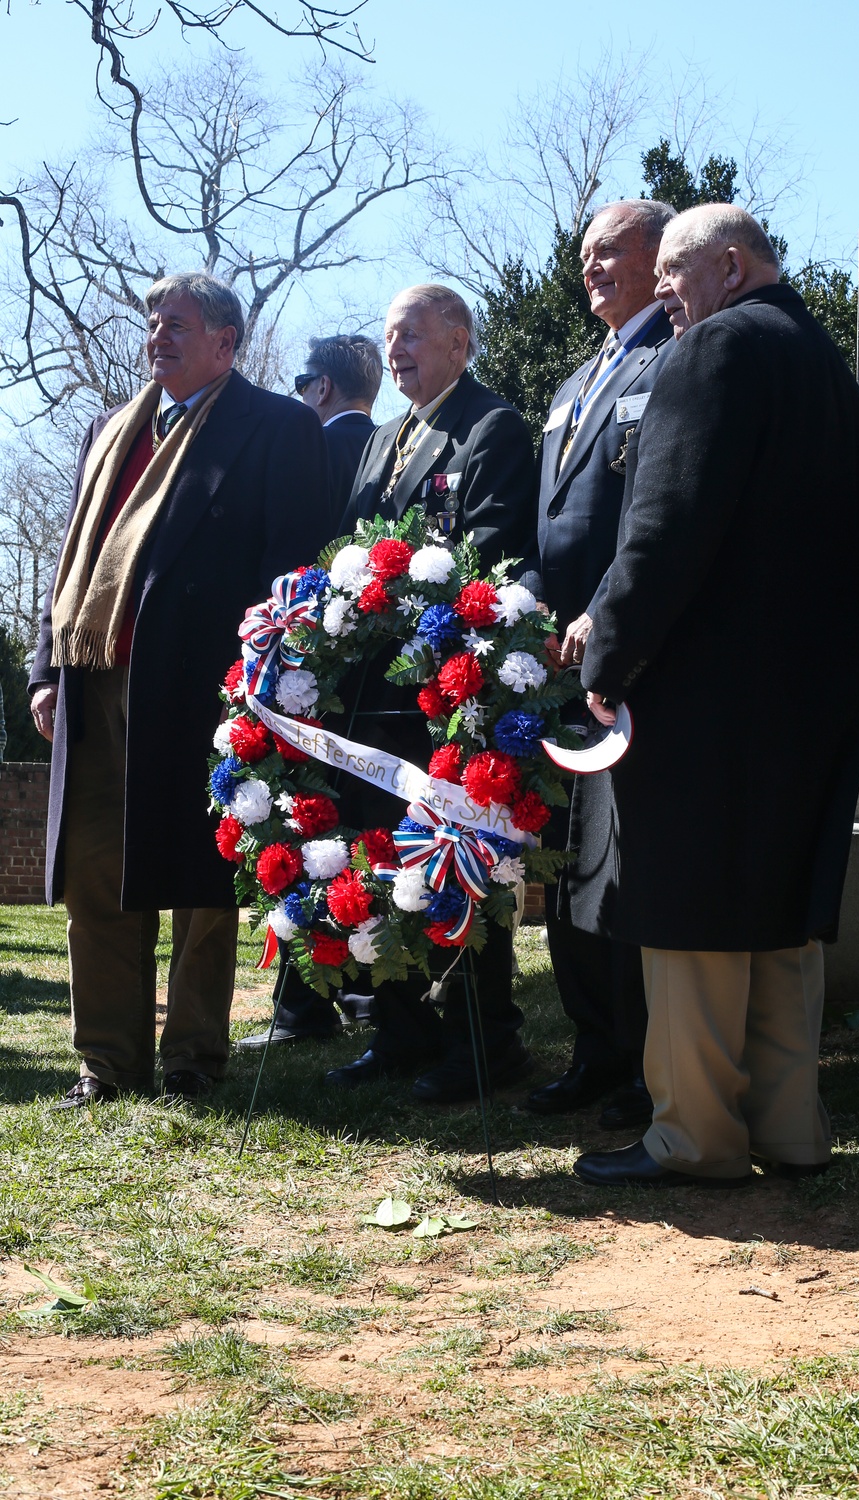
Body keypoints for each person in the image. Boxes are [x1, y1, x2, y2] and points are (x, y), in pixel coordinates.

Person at [569, 204, 859, 1187]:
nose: (662, 293)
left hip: (707, 702)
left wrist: (605, 660)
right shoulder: (826, 366)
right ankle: (788, 1129)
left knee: (691, 914)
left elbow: (663, 530)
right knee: (781, 911)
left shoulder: (712, 350)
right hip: (808, 696)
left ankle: (693, 1136)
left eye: (671, 271)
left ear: (729, 266)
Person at [30, 272, 333, 1109]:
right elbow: (73, 563)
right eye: (153, 323)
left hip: (206, 692)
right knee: (95, 875)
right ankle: (108, 1062)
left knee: (202, 884)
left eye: (177, 324)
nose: (157, 336)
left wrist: (267, 688)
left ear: (226, 343)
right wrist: (47, 671)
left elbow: (299, 568)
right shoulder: (110, 430)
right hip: (97, 681)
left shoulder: (275, 426)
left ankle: (194, 1058)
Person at [329, 283, 539, 1104]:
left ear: (459, 340)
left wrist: (398, 604)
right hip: (373, 696)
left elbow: (490, 548)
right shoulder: (383, 436)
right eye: (388, 337)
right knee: (382, 858)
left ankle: (483, 1039)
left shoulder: (491, 427)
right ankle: (400, 1029)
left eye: (411, 334)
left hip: (447, 696)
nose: (395, 351)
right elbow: (349, 544)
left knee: (455, 862)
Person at [527, 197, 676, 1131]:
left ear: (661, 256)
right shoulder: (577, 376)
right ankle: (590, 1044)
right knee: (569, 860)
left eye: (609, 252)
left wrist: (602, 617)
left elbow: (651, 517)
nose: (591, 269)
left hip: (624, 651)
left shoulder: (677, 357)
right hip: (552, 653)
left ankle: (636, 1056)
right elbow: (557, 517)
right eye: (584, 256)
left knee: (619, 865)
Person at [237, 331, 382, 1053]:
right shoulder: (387, 447)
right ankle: (364, 986)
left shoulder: (307, 446)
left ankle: (304, 1006)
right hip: (381, 691)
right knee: (361, 836)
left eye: (302, 380)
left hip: (305, 683)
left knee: (306, 832)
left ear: (320, 388)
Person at [296, 334, 381, 530]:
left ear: (323, 388)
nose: (302, 394)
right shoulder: (398, 449)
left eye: (303, 384)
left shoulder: (306, 447)